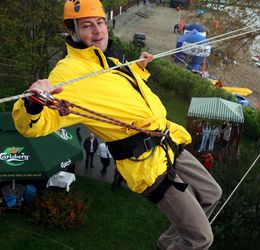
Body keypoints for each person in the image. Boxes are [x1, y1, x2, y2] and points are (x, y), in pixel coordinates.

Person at [12, 0, 222, 249]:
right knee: (201, 239)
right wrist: (34, 103)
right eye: (88, 26)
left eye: (100, 23)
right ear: (73, 31)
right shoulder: (69, 73)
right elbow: (32, 126)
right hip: (147, 164)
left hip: (169, 140)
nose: (98, 30)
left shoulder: (110, 60)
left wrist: (139, 70)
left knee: (212, 195)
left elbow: (120, 95)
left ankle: (168, 242)